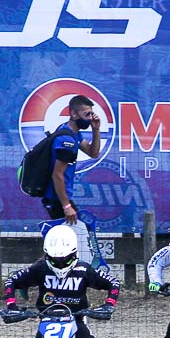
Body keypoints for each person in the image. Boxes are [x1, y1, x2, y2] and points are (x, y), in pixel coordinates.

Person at [43, 94, 110, 278]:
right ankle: (40, 276)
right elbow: (57, 174)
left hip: (61, 197)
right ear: (73, 114)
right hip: (57, 198)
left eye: (91, 114)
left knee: (72, 238)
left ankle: (65, 277)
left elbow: (93, 153)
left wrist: (96, 129)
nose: (90, 118)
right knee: (66, 241)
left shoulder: (72, 133)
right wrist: (66, 206)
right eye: (86, 114)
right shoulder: (66, 140)